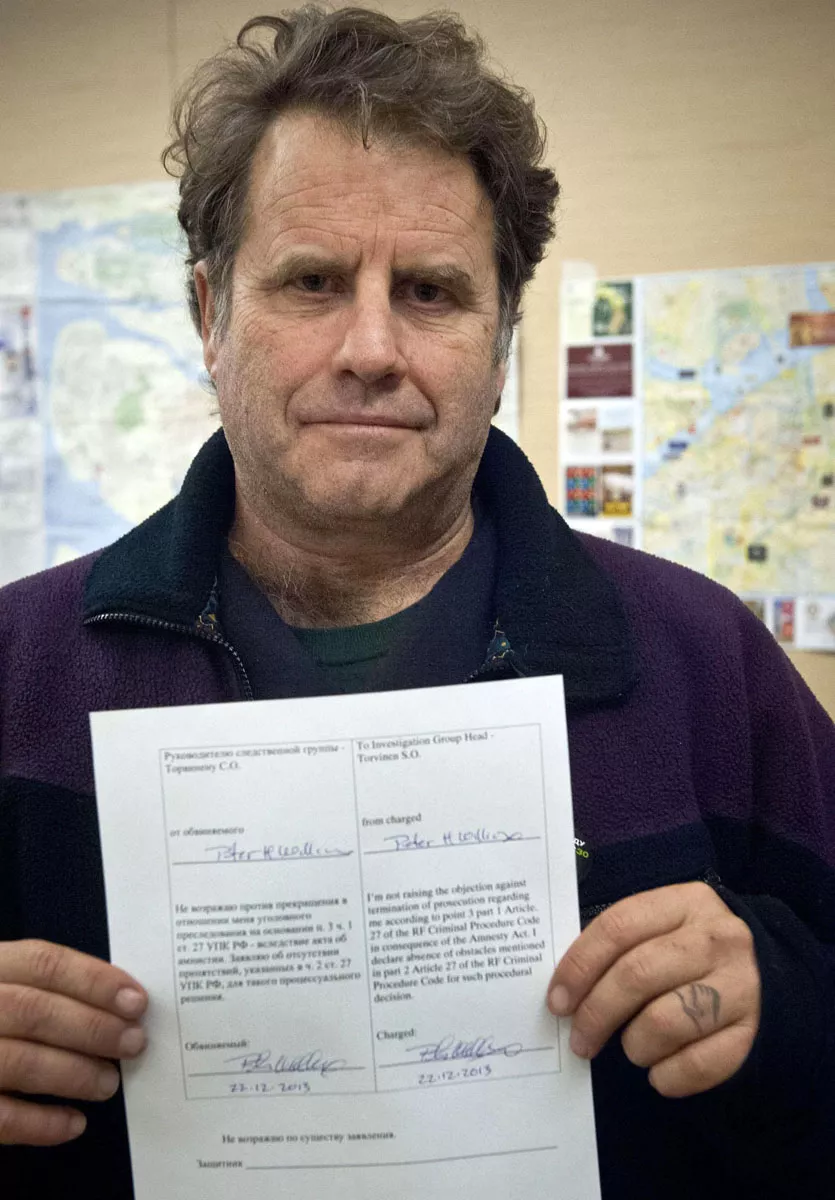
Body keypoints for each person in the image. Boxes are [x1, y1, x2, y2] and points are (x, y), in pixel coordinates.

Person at [0, 7, 833, 1198]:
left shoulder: (706, 661)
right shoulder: (16, 669)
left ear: (501, 339)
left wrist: (786, 1005)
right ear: (208, 314)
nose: (372, 348)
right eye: (311, 282)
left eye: (432, 291)